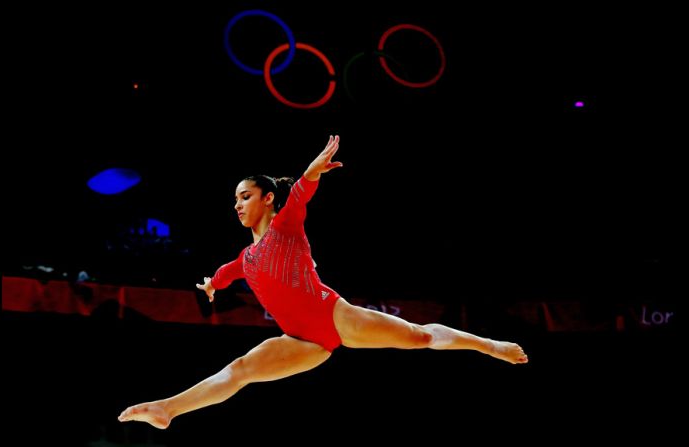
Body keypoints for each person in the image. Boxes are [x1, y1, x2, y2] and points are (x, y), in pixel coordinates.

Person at [118, 135, 528, 429]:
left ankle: (489, 346)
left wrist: (314, 169)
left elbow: (301, 191)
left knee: (419, 338)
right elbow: (225, 274)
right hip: (302, 343)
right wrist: (211, 287)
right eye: (234, 200)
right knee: (241, 369)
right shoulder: (246, 257)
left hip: (335, 318)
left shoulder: (286, 225)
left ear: (267, 199)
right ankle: (167, 408)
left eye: (245, 196)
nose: (238, 205)